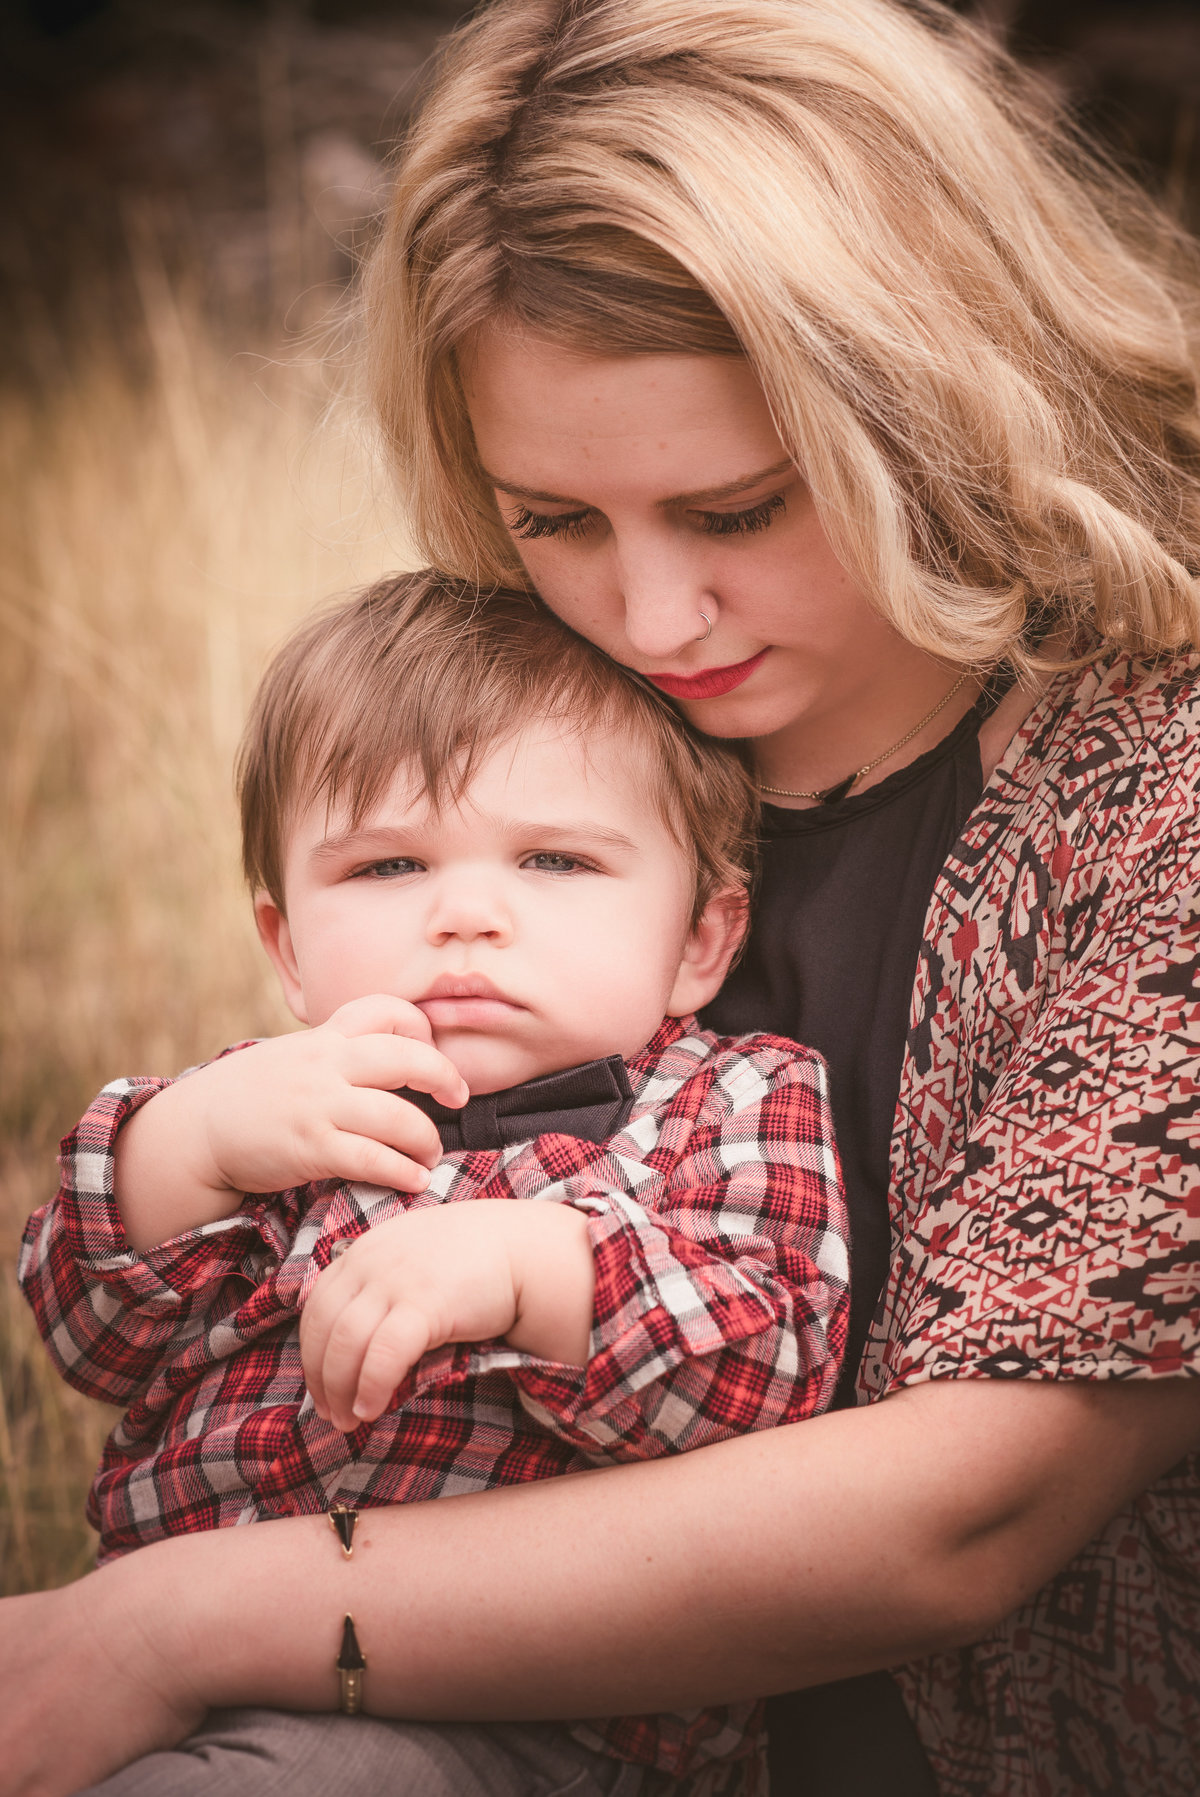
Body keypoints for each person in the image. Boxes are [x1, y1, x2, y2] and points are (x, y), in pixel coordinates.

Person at [3, 1, 1200, 1794]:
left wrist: (170, 1621)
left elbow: (971, 1508)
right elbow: (135, 1292)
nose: (652, 624)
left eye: (741, 509)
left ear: (943, 404)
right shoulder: (538, 754)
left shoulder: (1157, 802)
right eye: (554, 518)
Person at [20, 571, 851, 1793]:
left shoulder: (728, 1100)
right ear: (287, 948)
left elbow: (773, 1370)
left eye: (556, 861)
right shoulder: (280, 1100)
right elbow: (88, 1336)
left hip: (525, 1715)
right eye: (388, 868)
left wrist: (530, 1268)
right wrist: (182, 1147)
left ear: (701, 941)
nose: (467, 914)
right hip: (154, 1662)